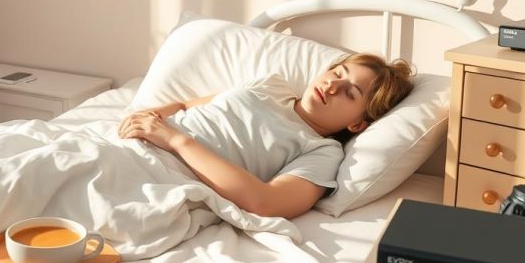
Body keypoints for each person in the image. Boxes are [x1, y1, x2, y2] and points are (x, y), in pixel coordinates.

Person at [117, 54, 414, 219]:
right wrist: (150, 116)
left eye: (349, 92)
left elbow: (266, 202)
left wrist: (174, 140)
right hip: (131, 141)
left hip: (163, 172)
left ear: (357, 125)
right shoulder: (270, 84)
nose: (332, 86)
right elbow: (184, 105)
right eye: (337, 73)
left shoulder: (322, 152)